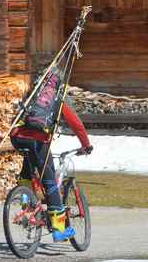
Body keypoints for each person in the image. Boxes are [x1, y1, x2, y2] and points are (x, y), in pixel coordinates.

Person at [10, 100, 92, 242]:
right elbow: (76, 124)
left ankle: (27, 204)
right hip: (37, 140)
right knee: (50, 183)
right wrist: (86, 144)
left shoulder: (33, 95)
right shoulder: (56, 99)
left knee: (28, 170)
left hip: (17, 137)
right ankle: (59, 230)